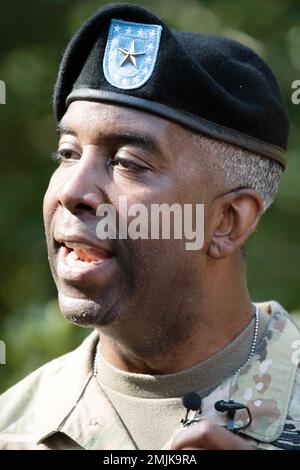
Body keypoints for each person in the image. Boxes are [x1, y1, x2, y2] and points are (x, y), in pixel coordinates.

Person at [0, 2, 299, 451]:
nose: (73, 191)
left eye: (127, 162)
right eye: (67, 153)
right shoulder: (15, 428)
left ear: (227, 222)